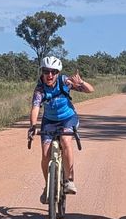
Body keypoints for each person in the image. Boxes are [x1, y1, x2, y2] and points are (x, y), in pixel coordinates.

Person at [28, 55, 94, 203]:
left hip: (68, 118)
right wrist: (33, 126)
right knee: (45, 154)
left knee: (65, 140)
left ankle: (69, 180)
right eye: (46, 71)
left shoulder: (64, 81)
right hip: (49, 121)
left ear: (58, 73)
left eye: (53, 71)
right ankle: (48, 187)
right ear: (42, 72)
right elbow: (35, 108)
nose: (49, 75)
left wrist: (81, 82)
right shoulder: (39, 89)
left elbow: (91, 90)